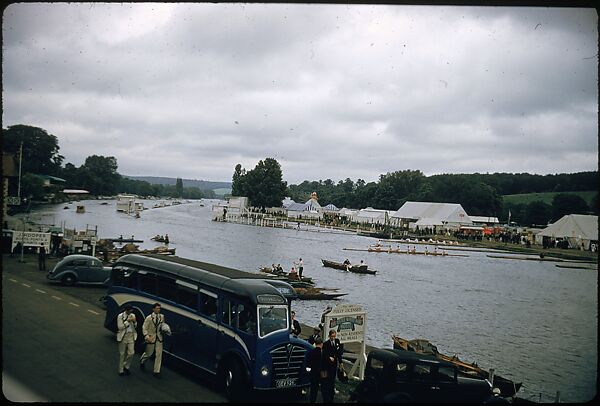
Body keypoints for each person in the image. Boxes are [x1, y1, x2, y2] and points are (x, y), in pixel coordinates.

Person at [140, 303, 166, 378]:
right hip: (151, 338)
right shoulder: (149, 318)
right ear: (153, 309)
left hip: (159, 338)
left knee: (159, 354)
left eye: (159, 308)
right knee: (149, 353)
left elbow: (162, 325)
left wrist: (165, 330)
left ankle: (156, 371)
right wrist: (146, 336)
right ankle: (142, 361)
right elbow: (144, 327)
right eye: (157, 308)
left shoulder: (162, 317)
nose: (159, 310)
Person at [322, 329, 344, 403]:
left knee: (332, 380)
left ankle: (331, 396)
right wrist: (329, 357)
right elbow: (324, 354)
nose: (333, 338)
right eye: (332, 336)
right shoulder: (326, 344)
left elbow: (339, 353)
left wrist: (341, 362)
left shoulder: (337, 342)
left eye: (334, 336)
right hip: (328, 365)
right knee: (327, 381)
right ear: (329, 336)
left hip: (334, 365)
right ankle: (326, 397)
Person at [117, 305, 137, 376]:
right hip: (123, 336)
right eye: (129, 311)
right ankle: (121, 370)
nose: (131, 312)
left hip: (131, 336)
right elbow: (120, 327)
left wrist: (134, 322)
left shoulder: (133, 315)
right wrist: (127, 321)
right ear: (126, 310)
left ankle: (126, 366)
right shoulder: (120, 316)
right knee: (122, 353)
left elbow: (135, 325)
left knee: (131, 353)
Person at [308, 336, 325, 403]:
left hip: (313, 373)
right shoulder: (321, 353)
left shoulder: (312, 352)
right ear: (321, 343)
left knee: (313, 390)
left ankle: (312, 401)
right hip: (320, 373)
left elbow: (309, 363)